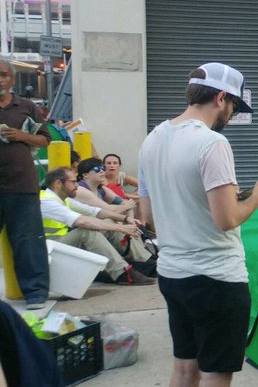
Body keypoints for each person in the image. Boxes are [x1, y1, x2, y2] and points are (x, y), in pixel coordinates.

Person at [137, 62, 258, 387]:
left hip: (174, 274)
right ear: (220, 99)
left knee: (184, 371)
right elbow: (226, 218)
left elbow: (148, 216)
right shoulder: (212, 144)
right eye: (233, 104)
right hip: (217, 278)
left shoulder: (153, 140)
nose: (232, 113)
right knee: (216, 379)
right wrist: (257, 199)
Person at [40, 167, 155, 286]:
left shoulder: (63, 199)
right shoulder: (47, 202)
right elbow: (82, 222)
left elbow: (94, 211)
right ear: (58, 183)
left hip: (63, 245)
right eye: (73, 182)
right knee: (87, 232)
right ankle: (122, 272)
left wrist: (125, 219)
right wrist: (120, 227)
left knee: (108, 222)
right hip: (51, 249)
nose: (77, 186)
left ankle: (147, 263)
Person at [0, 59, 52, 309]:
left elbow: (45, 140)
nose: (0, 79)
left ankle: (35, 293)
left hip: (22, 185)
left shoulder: (27, 106)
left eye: (4, 75)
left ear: (11, 79)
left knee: (28, 240)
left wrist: (21, 136)